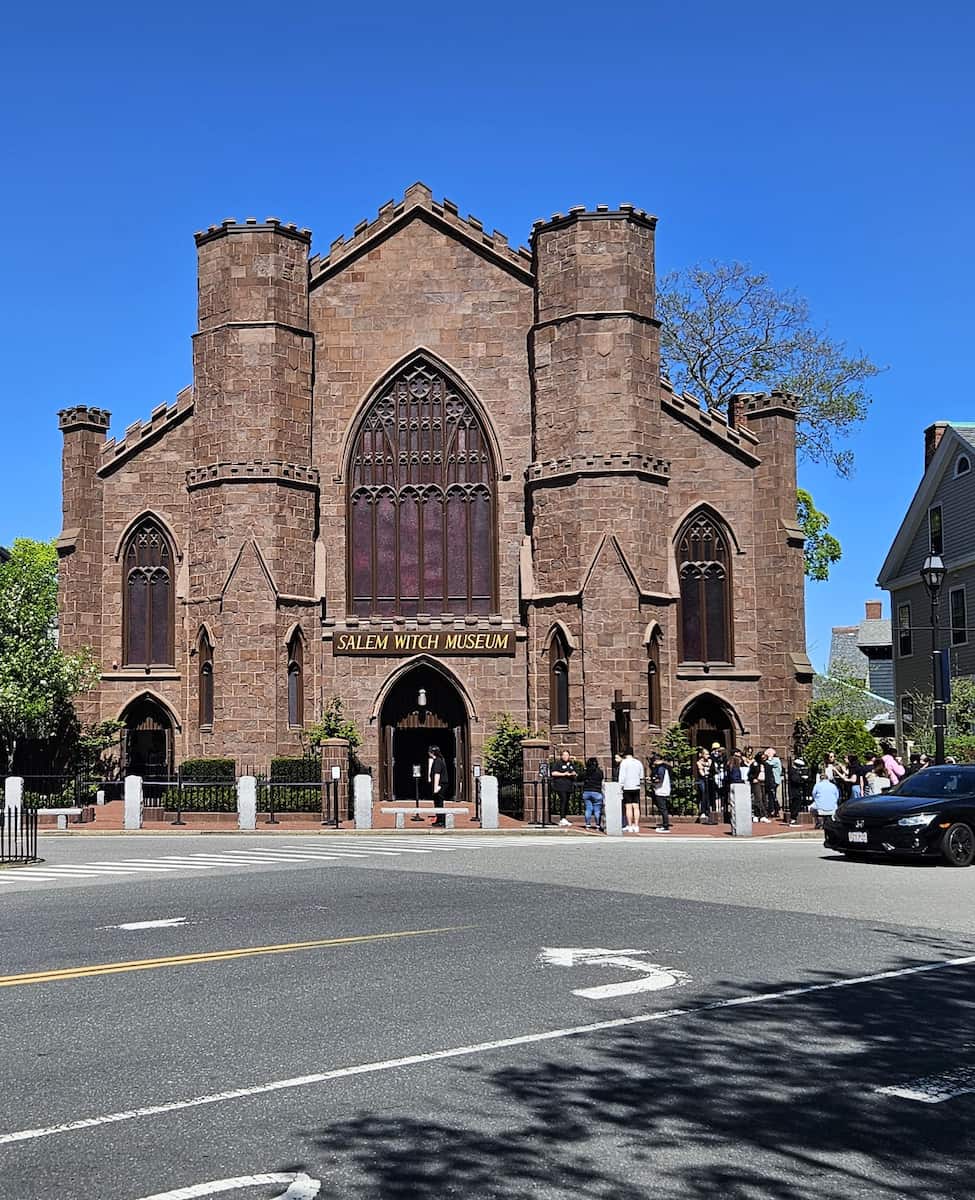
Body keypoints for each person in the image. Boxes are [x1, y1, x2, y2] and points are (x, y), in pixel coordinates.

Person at [618, 747, 644, 833]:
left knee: (628, 806)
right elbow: (641, 776)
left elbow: (622, 776)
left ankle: (629, 825)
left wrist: (620, 785)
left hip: (627, 786)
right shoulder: (638, 762)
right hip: (636, 786)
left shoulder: (624, 763)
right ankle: (636, 825)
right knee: (636, 806)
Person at [550, 749, 578, 828]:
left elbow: (575, 772)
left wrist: (573, 773)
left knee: (566, 802)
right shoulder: (558, 763)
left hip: (568, 786)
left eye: (567, 755)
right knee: (563, 800)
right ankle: (562, 818)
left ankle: (564, 818)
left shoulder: (571, 764)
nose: (565, 756)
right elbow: (553, 773)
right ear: (561, 756)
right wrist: (563, 774)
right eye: (564, 755)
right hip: (560, 786)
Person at [427, 744, 449, 825]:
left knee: (439, 802)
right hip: (441, 784)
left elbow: (437, 774)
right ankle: (439, 819)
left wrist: (436, 787)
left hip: (440, 784)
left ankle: (441, 820)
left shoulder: (437, 761)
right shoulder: (439, 760)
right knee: (437, 802)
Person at [650, 754, 672, 833]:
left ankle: (665, 826)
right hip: (664, 789)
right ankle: (664, 825)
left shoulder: (660, 768)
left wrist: (653, 781)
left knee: (663, 809)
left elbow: (659, 779)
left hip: (661, 790)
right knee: (663, 809)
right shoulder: (665, 767)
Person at [707, 743, 729, 822]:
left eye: (718, 750)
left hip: (722, 777)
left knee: (723, 793)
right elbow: (712, 767)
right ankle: (715, 807)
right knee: (715, 793)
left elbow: (725, 764)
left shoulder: (724, 758)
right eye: (715, 750)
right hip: (715, 777)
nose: (717, 751)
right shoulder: (712, 758)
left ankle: (723, 807)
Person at [581, 757, 604, 832]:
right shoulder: (599, 772)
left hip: (587, 791)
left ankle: (587, 824)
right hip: (597, 792)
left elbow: (580, 777)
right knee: (597, 810)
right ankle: (597, 825)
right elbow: (601, 778)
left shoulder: (586, 772)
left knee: (588, 809)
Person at [749, 750, 770, 822]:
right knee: (758, 798)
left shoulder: (765, 765)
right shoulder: (755, 764)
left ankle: (758, 814)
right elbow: (750, 774)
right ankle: (762, 815)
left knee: (764, 799)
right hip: (757, 782)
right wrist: (753, 778)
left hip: (763, 782)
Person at [764, 747, 783, 819]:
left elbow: (768, 764)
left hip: (774, 780)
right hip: (771, 780)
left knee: (772, 795)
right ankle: (773, 809)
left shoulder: (775, 760)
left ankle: (774, 809)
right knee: (771, 795)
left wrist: (769, 758)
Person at [694, 747, 710, 822]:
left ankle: (708, 810)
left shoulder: (710, 761)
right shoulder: (699, 762)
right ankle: (703, 811)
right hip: (702, 780)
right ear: (702, 755)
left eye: (708, 754)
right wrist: (704, 774)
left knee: (708, 794)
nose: (708, 755)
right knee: (703, 794)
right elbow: (701, 771)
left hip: (709, 779)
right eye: (706, 754)